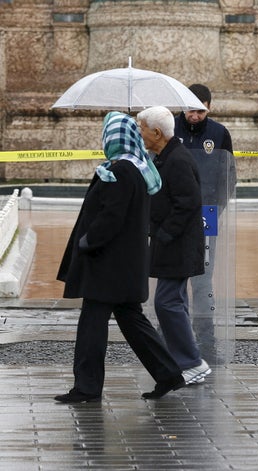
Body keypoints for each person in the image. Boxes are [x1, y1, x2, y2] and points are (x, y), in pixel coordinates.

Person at [54, 111, 185, 403]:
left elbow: (111, 217)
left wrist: (88, 241)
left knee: (92, 325)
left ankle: (87, 387)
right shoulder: (133, 167)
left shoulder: (123, 170)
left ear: (114, 137)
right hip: (121, 265)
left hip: (107, 264)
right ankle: (168, 374)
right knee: (132, 321)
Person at [137, 106, 211, 385]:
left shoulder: (177, 160)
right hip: (172, 243)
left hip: (177, 245)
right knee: (175, 301)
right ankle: (185, 360)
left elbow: (188, 202)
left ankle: (192, 361)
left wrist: (165, 234)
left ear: (156, 132)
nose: (139, 132)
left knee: (166, 302)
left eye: (142, 127)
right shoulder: (165, 157)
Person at [175, 83, 237, 364]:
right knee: (173, 279)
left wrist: (218, 207)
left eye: (200, 110)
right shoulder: (168, 129)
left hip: (206, 217)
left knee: (202, 282)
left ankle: (207, 342)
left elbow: (229, 175)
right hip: (174, 218)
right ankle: (173, 340)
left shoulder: (219, 134)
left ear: (209, 107)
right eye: (190, 109)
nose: (195, 115)